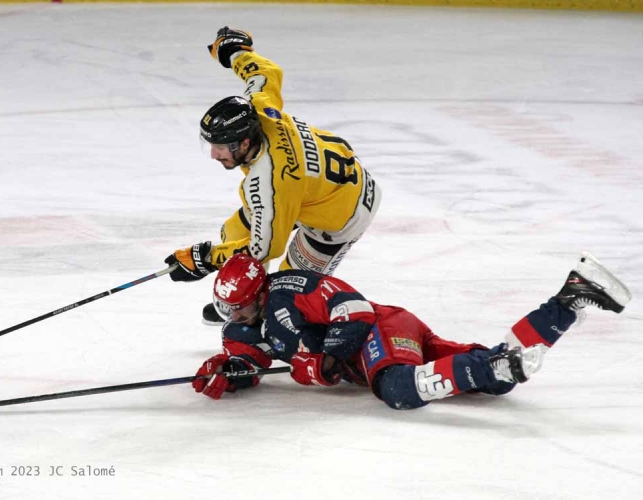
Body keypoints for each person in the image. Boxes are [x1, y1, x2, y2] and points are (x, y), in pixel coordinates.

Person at [191, 252, 631, 409]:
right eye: (226, 307)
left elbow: (355, 309)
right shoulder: (241, 326)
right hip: (380, 343)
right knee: (496, 379)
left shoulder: (292, 287)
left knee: (398, 387)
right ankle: (572, 298)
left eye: (241, 305)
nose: (235, 315)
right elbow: (247, 359)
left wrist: (325, 356)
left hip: (384, 328)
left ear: (261, 291)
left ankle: (498, 364)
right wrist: (227, 373)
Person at [164, 27, 381, 325]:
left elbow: (264, 248)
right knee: (233, 230)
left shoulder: (269, 180)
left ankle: (261, 318)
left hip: (341, 217)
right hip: (316, 187)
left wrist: (205, 259)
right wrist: (236, 52)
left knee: (287, 290)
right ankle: (249, 299)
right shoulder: (260, 109)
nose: (214, 155)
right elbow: (266, 72)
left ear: (243, 142)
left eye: (220, 147)